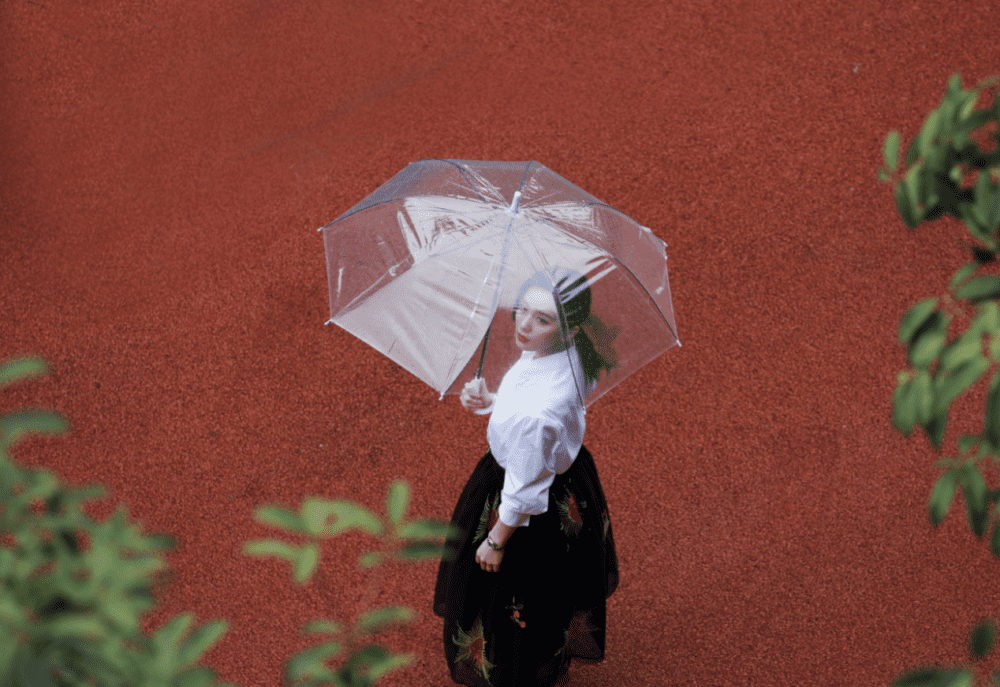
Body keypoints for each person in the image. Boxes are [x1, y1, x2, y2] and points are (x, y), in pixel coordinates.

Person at [433, 267, 620, 687]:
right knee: (547, 596)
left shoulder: (536, 416)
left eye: (542, 319)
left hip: (522, 507)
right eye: (522, 309)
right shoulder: (568, 353)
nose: (523, 324)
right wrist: (492, 401)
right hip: (564, 483)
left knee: (510, 602)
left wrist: (497, 541)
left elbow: (523, 488)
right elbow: (534, 410)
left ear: (569, 330)